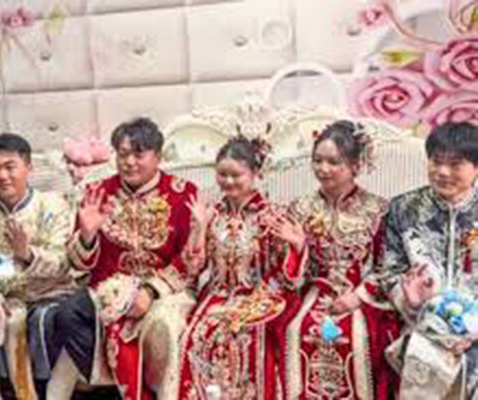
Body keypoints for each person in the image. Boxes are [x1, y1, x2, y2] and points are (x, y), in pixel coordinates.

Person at [47, 117, 198, 400]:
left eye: (138, 154)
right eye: (122, 154)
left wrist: (151, 291)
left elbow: (191, 257)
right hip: (107, 290)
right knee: (66, 314)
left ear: (158, 156)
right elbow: (79, 263)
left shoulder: (183, 193)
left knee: (164, 324)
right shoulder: (98, 192)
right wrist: (88, 236)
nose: (128, 162)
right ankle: (117, 382)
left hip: (166, 291)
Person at [276, 120, 400, 399]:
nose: (323, 169)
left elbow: (389, 265)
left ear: (355, 165)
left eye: (334, 162)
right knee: (294, 328)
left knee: (360, 336)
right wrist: (298, 249)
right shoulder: (300, 208)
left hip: (363, 295)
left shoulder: (378, 209)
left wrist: (357, 297)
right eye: (317, 160)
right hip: (313, 292)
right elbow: (289, 275)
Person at [177, 135, 307, 400]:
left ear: (255, 173)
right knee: (199, 332)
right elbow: (193, 267)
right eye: (222, 174)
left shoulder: (272, 216)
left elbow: (287, 275)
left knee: (248, 333)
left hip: (263, 295)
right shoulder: (211, 214)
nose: (228, 181)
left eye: (236, 175)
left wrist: (297, 245)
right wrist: (200, 227)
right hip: (217, 294)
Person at [0, 133, 76, 399]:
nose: (2, 176)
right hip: (1, 300)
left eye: (10, 167)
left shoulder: (54, 205)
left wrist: (26, 254)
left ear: (29, 167)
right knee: (1, 318)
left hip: (51, 293)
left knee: (34, 318)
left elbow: (63, 262)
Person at [382, 122, 478, 398]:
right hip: (422, 322)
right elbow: (389, 271)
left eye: (455, 164)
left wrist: (472, 329)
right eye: (436, 162)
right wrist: (411, 301)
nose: (443, 172)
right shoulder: (403, 209)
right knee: (423, 356)